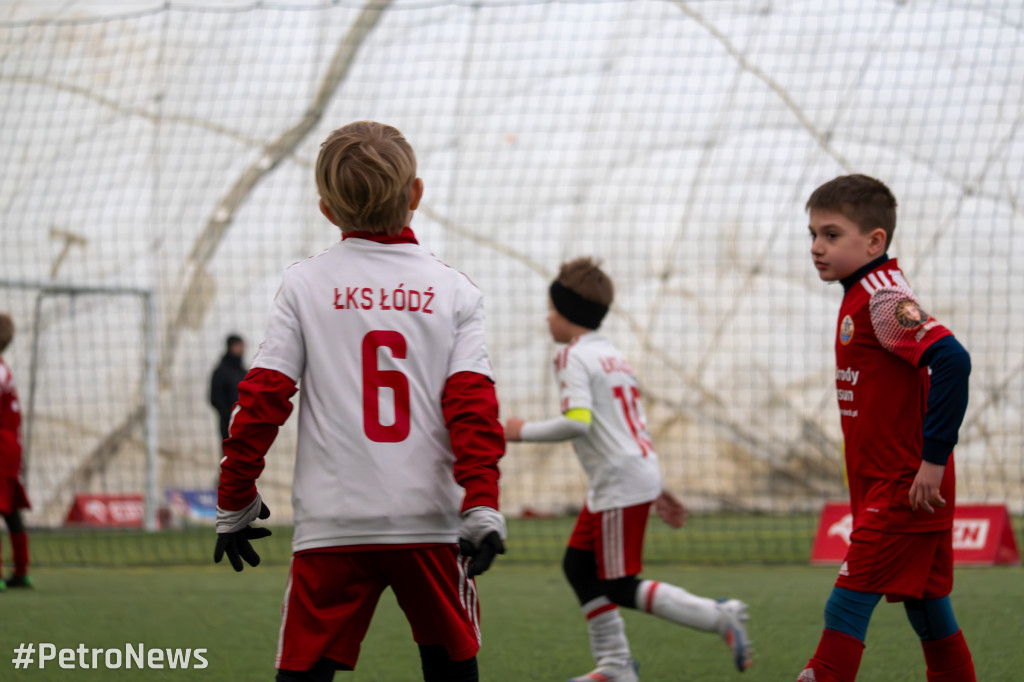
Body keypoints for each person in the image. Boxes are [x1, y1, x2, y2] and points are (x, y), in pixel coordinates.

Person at [214, 121, 506, 682]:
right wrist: (481, 503)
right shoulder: (456, 292)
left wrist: (235, 500)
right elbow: (473, 408)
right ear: (416, 194)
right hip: (431, 523)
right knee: (450, 667)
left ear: (326, 209)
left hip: (335, 521)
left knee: (303, 672)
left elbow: (262, 401)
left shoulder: (303, 284)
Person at [504, 258, 752, 681]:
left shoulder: (571, 357)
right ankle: (615, 665)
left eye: (551, 308)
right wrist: (657, 486)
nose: (546, 317)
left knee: (619, 584)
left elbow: (577, 422)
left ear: (568, 313)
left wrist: (517, 431)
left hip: (620, 482)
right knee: (578, 567)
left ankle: (718, 616)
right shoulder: (613, 354)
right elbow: (628, 427)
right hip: (627, 477)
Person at [799, 174, 975, 682]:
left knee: (844, 611)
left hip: (904, 489)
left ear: (875, 240)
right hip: (893, 484)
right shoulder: (859, 294)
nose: (816, 247)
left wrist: (932, 462)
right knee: (928, 611)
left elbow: (952, 360)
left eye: (831, 235)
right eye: (811, 234)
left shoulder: (881, 298)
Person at [0, 313, 32, 591]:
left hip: (1, 446)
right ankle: (21, 571)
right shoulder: (3, 368)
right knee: (10, 512)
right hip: (10, 448)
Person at [209, 334, 247, 443]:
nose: (241, 349)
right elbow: (215, 398)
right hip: (227, 421)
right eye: (238, 346)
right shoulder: (221, 371)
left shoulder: (243, 372)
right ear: (231, 347)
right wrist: (228, 414)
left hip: (244, 422)